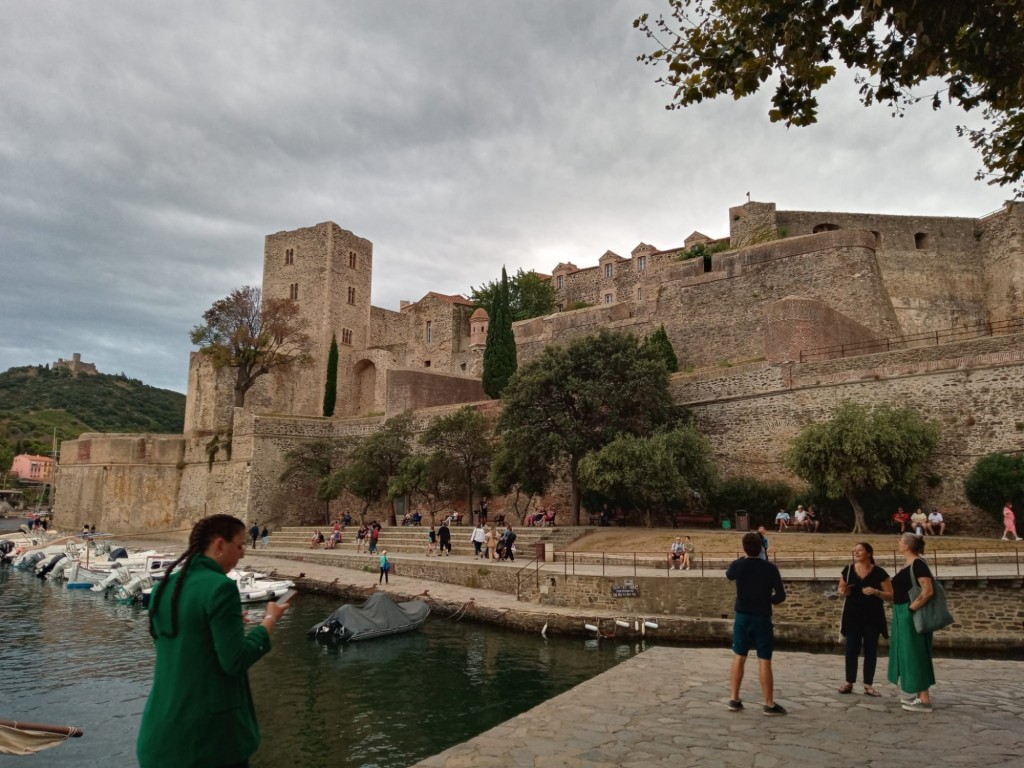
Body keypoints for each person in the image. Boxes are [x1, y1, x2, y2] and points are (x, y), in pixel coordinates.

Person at [137, 514, 289, 768]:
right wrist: (269, 621)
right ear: (219, 545)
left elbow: (183, 645)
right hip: (207, 742)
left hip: (159, 737)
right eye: (239, 546)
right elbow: (236, 660)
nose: (243, 554)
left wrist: (225, 626)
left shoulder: (164, 588)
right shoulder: (221, 587)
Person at [726, 531, 786, 716]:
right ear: (761, 547)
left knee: (739, 656)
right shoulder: (770, 568)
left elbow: (729, 575)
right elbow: (781, 595)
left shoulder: (738, 565)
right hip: (762, 617)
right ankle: (768, 703)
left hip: (742, 616)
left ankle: (734, 699)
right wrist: (769, 600)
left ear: (744, 547)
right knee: (764, 659)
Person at [888, 533, 936, 712]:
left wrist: (911, 609)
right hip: (902, 611)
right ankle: (919, 694)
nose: (898, 543)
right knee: (908, 653)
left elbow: (928, 591)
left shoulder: (918, 564)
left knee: (915, 653)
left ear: (907, 546)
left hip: (909, 612)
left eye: (900, 541)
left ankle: (925, 701)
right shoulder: (910, 564)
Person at [836, 542, 891, 697]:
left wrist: (876, 592)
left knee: (871, 650)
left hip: (872, 616)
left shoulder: (879, 572)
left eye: (860, 550)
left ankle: (868, 684)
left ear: (869, 553)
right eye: (855, 550)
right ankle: (849, 682)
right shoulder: (848, 570)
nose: (856, 552)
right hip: (853, 615)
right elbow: (841, 588)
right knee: (851, 649)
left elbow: (891, 595)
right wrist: (844, 591)